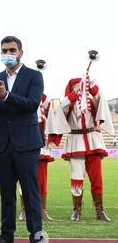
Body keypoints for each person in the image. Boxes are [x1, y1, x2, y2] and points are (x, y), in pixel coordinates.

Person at [0, 36, 44, 243]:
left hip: (26, 144)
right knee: (6, 193)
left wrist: (6, 96)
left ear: (20, 52)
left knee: (30, 193)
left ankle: (38, 240)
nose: (7, 54)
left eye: (11, 50)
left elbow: (32, 105)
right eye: (4, 50)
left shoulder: (34, 76)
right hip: (3, 144)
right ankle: (6, 237)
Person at [59, 77, 112, 222]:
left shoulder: (91, 99)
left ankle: (100, 211)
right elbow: (59, 111)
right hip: (76, 142)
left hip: (93, 142)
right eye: (75, 86)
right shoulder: (67, 102)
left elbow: (100, 99)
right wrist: (72, 96)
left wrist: (93, 87)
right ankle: (76, 211)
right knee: (76, 178)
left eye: (81, 85)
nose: (78, 88)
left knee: (97, 179)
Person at [18, 59, 55, 222]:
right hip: (24, 142)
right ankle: (24, 209)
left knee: (42, 179)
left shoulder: (47, 99)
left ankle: (42, 209)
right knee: (22, 177)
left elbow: (55, 114)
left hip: (41, 144)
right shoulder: (21, 96)